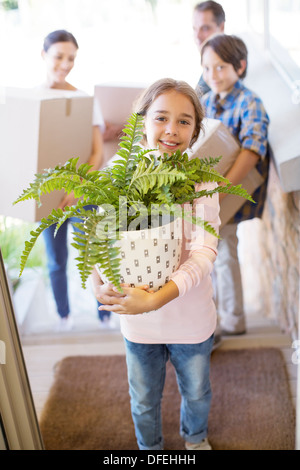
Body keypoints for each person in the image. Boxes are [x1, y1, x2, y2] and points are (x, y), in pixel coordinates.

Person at [91, 78, 221, 450]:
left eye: (184, 121)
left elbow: (204, 253)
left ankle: (195, 440)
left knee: (197, 393)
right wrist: (97, 282)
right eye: (161, 117)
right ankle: (150, 449)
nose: (171, 130)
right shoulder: (119, 174)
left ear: (196, 130)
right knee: (144, 400)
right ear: (141, 122)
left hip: (190, 319)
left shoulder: (200, 183)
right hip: (138, 320)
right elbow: (100, 240)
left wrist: (155, 299)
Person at [40, 30, 112, 331]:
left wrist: (77, 188)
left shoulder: (84, 100)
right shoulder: (33, 101)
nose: (66, 64)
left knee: (94, 255)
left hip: (84, 193)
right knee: (56, 261)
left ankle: (105, 313)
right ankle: (63, 316)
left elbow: (97, 153)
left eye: (71, 58)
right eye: (59, 57)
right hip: (48, 198)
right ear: (43, 55)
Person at [200, 34, 270, 335]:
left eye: (220, 67)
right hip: (205, 193)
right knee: (206, 252)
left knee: (225, 249)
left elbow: (252, 151)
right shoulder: (204, 101)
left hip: (230, 192)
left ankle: (233, 319)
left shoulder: (250, 102)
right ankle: (209, 315)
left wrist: (222, 189)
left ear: (239, 66)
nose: (212, 75)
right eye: (206, 68)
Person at [192, 1, 225, 96]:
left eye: (205, 28)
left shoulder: (228, 66)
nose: (197, 36)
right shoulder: (210, 61)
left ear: (221, 27)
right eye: (195, 29)